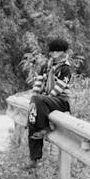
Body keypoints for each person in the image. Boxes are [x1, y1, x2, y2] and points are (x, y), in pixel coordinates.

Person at [27, 37, 72, 169]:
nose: (53, 54)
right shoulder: (46, 67)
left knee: (37, 101)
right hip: (45, 100)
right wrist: (34, 98)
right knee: (32, 120)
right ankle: (33, 159)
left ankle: (45, 127)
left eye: (57, 51)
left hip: (60, 100)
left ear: (64, 52)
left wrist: (43, 98)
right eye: (52, 52)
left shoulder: (65, 68)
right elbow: (38, 83)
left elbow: (60, 87)